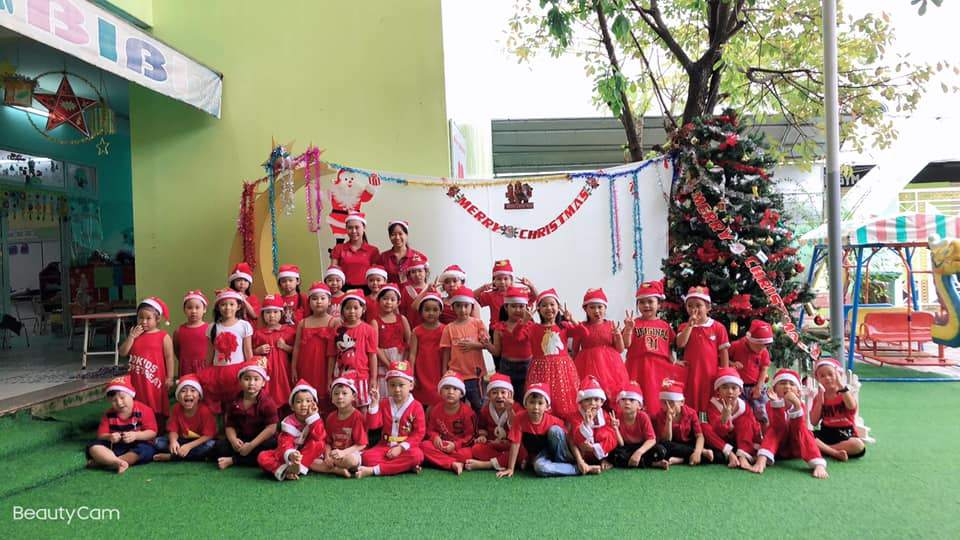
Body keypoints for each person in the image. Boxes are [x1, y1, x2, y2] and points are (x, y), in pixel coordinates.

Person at [750, 369, 828, 479]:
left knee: (805, 431)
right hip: (778, 448)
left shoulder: (801, 405)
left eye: (792, 384)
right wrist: (777, 404)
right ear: (774, 389)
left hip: (796, 447)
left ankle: (818, 464)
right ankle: (762, 458)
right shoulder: (771, 404)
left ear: (798, 392)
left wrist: (796, 405)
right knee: (773, 430)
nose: (787, 386)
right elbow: (779, 426)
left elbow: (798, 427)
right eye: (782, 383)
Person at [356, 361, 426, 478]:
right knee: (367, 458)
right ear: (387, 386)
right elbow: (373, 425)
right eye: (392, 385)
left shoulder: (416, 406)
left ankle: (374, 470)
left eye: (401, 385)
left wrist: (401, 447)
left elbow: (419, 433)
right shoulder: (384, 403)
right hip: (384, 447)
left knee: (417, 455)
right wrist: (374, 403)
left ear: (411, 385)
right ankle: (404, 466)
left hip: (405, 449)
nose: (397, 389)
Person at [496, 383, 579, 478]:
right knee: (540, 467)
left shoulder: (553, 420)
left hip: (560, 453)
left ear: (547, 406)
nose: (535, 407)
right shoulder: (519, 418)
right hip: (542, 455)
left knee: (555, 430)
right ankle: (575, 469)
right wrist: (510, 468)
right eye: (532, 402)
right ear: (525, 404)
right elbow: (515, 444)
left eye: (540, 403)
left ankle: (565, 463)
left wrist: (579, 459)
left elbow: (569, 439)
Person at [525, 289, 581, 423]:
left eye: (552, 304)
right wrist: (523, 322)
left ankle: (565, 427)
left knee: (563, 397)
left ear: (558, 307)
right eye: (544, 305)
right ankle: (545, 424)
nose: (549, 308)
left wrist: (571, 319)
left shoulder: (564, 326)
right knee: (542, 397)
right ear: (538, 309)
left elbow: (584, 333)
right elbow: (517, 336)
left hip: (563, 369)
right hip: (540, 369)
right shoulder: (533, 327)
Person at [622, 280, 677, 417]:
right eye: (642, 302)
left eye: (650, 302)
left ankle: (657, 425)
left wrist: (674, 363)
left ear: (659, 304)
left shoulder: (665, 325)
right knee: (636, 397)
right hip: (636, 366)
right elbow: (625, 345)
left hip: (658, 369)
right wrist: (628, 329)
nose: (646, 305)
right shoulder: (633, 323)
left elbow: (671, 347)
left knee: (656, 399)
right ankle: (638, 425)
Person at [198, 289, 254, 414]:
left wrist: (250, 369)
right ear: (218, 307)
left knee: (237, 402)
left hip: (237, 371)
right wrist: (206, 371)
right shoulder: (213, 327)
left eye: (231, 304)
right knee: (221, 402)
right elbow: (210, 352)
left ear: (238, 306)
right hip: (218, 372)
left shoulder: (244, 325)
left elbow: (248, 350)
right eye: (223, 304)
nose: (227, 307)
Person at [257, 379, 326, 481]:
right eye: (299, 402)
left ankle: (297, 468)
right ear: (292, 407)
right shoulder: (288, 424)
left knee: (319, 444)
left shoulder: (315, 420)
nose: (304, 404)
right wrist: (291, 454)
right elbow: (285, 443)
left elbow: (320, 436)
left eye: (308, 401)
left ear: (314, 404)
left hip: (306, 455)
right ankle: (285, 470)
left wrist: (313, 417)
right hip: (289, 457)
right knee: (262, 457)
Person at [85, 377, 157, 474]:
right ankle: (117, 462)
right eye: (114, 400)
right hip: (116, 446)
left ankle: (104, 462)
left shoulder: (145, 410)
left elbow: (152, 432)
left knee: (145, 450)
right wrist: (110, 437)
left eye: (122, 397)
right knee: (94, 446)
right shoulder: (109, 414)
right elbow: (101, 435)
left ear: (131, 395)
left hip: (138, 444)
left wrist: (136, 435)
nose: (119, 403)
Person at [214, 362, 278, 470]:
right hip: (242, 438)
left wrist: (251, 445)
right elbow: (230, 425)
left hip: (260, 440)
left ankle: (234, 460)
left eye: (256, 379)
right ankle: (243, 457)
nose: (251, 383)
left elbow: (271, 428)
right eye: (247, 379)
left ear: (263, 383)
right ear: (240, 381)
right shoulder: (235, 400)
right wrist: (233, 440)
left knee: (272, 445)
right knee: (220, 446)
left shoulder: (267, 402)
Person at [119, 296, 175, 421]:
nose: (144, 321)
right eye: (140, 318)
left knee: (155, 404)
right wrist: (131, 337)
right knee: (138, 405)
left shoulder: (163, 336)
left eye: (148, 318)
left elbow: (169, 358)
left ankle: (158, 424)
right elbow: (122, 352)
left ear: (157, 319)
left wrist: (170, 377)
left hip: (155, 380)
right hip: (137, 379)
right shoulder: (134, 334)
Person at [570, 288, 629, 406]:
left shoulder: (611, 325)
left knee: (611, 394)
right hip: (586, 366)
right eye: (592, 307)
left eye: (600, 307)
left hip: (610, 367)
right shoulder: (581, 326)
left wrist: (618, 335)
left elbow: (620, 349)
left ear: (605, 308)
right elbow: (574, 350)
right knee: (589, 393)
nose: (596, 311)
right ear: (585, 309)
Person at [676, 286, 729, 412]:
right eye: (690, 305)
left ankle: (706, 422)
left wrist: (725, 373)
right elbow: (681, 344)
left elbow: (723, 352)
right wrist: (690, 325)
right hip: (691, 374)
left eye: (698, 305)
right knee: (690, 400)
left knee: (708, 402)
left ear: (708, 307)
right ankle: (692, 421)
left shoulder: (718, 327)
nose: (694, 309)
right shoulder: (684, 326)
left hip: (710, 374)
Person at [439, 287, 490, 412]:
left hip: (474, 375)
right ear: (453, 307)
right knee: (457, 406)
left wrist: (473, 345)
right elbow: (446, 351)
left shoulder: (477, 323)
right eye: (458, 306)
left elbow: (487, 344)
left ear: (472, 306)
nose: (462, 310)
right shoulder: (448, 328)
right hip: (455, 375)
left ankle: (479, 424)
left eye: (466, 306)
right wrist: (445, 371)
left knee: (478, 405)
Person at [700, 367, 761, 470]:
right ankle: (730, 454)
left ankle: (743, 456)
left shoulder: (744, 407)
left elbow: (753, 428)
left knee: (746, 421)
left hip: (739, 442)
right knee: (704, 426)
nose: (730, 391)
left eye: (734, 388)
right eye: (724, 387)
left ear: (740, 391)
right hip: (719, 443)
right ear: (718, 390)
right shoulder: (711, 405)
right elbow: (714, 432)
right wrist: (724, 418)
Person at [292, 282, 337, 413]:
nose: (318, 302)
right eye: (314, 298)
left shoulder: (334, 321)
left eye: (322, 298)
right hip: (306, 366)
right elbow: (296, 347)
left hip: (325, 366)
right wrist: (293, 367)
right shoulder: (303, 323)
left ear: (329, 301)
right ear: (309, 302)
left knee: (325, 394)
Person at [420, 371, 477, 475]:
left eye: (455, 389)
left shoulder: (468, 412)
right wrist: (435, 437)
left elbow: (471, 436)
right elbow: (430, 430)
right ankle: (452, 463)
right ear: (440, 392)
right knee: (424, 446)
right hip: (440, 446)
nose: (450, 392)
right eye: (446, 388)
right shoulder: (436, 409)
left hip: (458, 448)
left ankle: (440, 461)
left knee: (467, 455)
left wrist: (455, 445)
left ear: (461, 394)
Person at [314, 372, 368, 478]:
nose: (340, 397)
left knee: (350, 461)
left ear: (353, 397)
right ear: (332, 399)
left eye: (344, 393)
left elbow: (362, 444)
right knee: (309, 460)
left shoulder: (357, 416)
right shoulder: (330, 417)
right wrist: (327, 456)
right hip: (334, 453)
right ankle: (336, 470)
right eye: (336, 394)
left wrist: (343, 453)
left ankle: (331, 467)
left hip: (351, 452)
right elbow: (328, 442)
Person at [810, 357, 866, 461]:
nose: (827, 378)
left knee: (858, 445)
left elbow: (851, 406)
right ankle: (834, 453)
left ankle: (824, 450)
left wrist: (841, 386)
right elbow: (813, 422)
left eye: (830, 374)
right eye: (822, 376)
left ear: (838, 375)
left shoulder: (845, 393)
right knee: (805, 434)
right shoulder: (818, 397)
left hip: (845, 432)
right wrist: (819, 402)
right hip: (826, 432)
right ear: (818, 379)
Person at [331, 290, 378, 408]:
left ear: (363, 309)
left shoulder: (369, 330)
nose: (352, 311)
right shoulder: (337, 330)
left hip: (362, 376)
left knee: (363, 407)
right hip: (342, 377)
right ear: (342, 310)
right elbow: (331, 355)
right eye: (348, 308)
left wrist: (373, 378)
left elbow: (372, 355)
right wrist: (329, 379)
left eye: (356, 308)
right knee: (344, 407)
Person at [466, 374, 523, 472]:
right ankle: (506, 460)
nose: (499, 396)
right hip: (494, 444)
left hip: (510, 446)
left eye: (503, 392)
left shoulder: (517, 408)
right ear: (488, 395)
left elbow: (518, 427)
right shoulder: (485, 410)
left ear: (510, 394)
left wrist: (510, 410)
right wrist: (482, 436)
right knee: (476, 449)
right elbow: (482, 427)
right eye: (494, 393)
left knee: (520, 451)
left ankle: (485, 465)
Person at [154, 374, 217, 462]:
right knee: (158, 442)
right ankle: (188, 455)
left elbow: (208, 435)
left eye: (193, 390)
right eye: (183, 391)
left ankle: (173, 457)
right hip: (182, 441)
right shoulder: (176, 408)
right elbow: (173, 430)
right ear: (178, 397)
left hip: (199, 442)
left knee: (210, 445)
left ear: (199, 396)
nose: (188, 394)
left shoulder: (205, 411)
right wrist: (173, 441)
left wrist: (189, 446)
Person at [652, 380, 713, 466]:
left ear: (682, 402)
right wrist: (669, 421)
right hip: (672, 445)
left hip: (688, 444)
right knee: (662, 448)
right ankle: (687, 458)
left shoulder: (691, 413)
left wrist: (697, 452)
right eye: (664, 403)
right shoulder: (660, 414)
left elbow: (699, 436)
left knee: (715, 456)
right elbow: (667, 440)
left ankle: (681, 459)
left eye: (671, 402)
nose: (668, 406)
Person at [608, 381, 666, 469]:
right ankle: (652, 464)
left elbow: (651, 440)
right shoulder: (617, 417)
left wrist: (639, 452)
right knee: (614, 455)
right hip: (626, 448)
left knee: (660, 450)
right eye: (623, 399)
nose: (627, 402)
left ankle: (637, 461)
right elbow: (621, 444)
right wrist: (616, 429)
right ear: (618, 403)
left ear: (639, 405)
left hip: (642, 446)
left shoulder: (643, 416)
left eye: (631, 400)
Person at [489, 287, 535, 395]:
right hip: (507, 367)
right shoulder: (499, 327)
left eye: (521, 306)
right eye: (513, 306)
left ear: (526, 308)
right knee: (507, 395)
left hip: (528, 367)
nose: (517, 310)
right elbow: (497, 352)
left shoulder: (531, 326)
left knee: (525, 396)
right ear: (506, 307)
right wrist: (487, 345)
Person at [253, 294, 296, 408]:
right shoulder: (259, 334)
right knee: (267, 396)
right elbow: (250, 352)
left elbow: (296, 352)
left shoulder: (289, 331)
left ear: (281, 313)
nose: (272, 315)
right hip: (267, 372)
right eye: (268, 312)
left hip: (284, 372)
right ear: (263, 315)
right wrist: (258, 350)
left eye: (275, 312)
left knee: (285, 396)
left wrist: (285, 347)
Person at [729, 319, 773, 424]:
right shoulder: (736, 345)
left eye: (765, 345)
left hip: (756, 386)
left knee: (763, 413)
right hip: (738, 388)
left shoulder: (764, 351)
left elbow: (764, 369)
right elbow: (723, 359)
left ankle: (765, 432)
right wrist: (732, 364)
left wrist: (759, 387)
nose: (762, 348)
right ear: (750, 340)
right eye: (759, 345)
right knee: (741, 414)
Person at [569, 376, 616, 473]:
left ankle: (603, 460)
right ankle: (583, 464)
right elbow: (576, 438)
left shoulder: (604, 415)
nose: (592, 403)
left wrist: (595, 448)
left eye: (596, 399)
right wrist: (586, 424)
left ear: (602, 402)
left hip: (598, 452)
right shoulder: (575, 416)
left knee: (605, 432)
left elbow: (612, 438)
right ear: (581, 402)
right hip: (582, 453)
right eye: (587, 400)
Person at [373, 283, 411, 397]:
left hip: (401, 358)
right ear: (378, 300)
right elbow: (375, 346)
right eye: (385, 299)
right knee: (385, 389)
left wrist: (404, 361)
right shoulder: (375, 322)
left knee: (400, 387)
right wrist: (388, 364)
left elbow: (409, 341)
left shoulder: (402, 319)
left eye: (392, 299)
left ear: (398, 302)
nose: (388, 302)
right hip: (383, 359)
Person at [409, 292, 446, 409]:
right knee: (421, 399)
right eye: (427, 310)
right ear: (421, 311)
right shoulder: (416, 331)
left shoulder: (445, 330)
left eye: (435, 310)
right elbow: (412, 354)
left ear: (441, 311)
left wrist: (445, 372)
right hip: (422, 369)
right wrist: (411, 375)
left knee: (437, 399)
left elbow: (447, 353)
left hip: (438, 368)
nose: (431, 313)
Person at [330, 211, 380, 292]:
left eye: (357, 227)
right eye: (350, 228)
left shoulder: (373, 250)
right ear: (346, 229)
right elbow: (333, 273)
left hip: (367, 291)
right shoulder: (338, 249)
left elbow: (377, 275)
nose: (353, 231)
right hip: (344, 290)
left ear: (364, 228)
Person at [378, 220, 427, 284]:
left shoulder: (418, 257)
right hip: (390, 290)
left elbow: (423, 283)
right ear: (389, 237)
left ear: (406, 235)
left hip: (412, 290)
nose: (397, 237)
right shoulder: (383, 257)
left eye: (400, 234)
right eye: (393, 234)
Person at [174, 290, 209, 377]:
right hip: (186, 369)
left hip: (205, 368)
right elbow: (177, 350)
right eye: (189, 308)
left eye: (197, 307)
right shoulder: (179, 331)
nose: (193, 311)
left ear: (204, 309)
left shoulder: (209, 329)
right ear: (184, 310)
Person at [400, 253, 430, 329]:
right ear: (409, 274)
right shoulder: (406, 290)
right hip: (410, 327)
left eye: (420, 271)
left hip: (428, 327)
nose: (417, 274)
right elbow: (403, 311)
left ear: (425, 272)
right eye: (413, 272)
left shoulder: (431, 289)